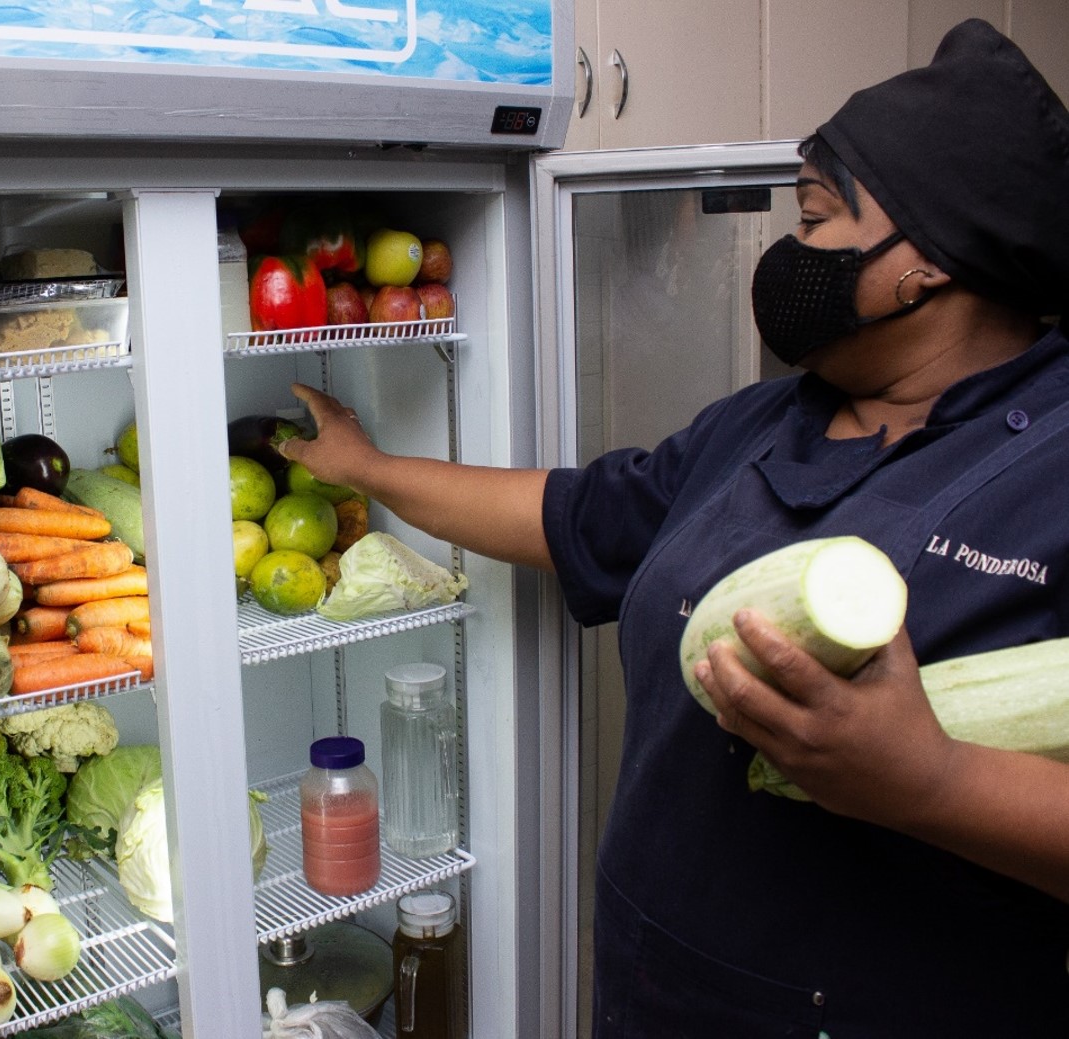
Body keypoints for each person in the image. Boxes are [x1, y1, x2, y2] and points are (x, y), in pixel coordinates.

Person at [278, 19, 1069, 1037]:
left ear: (927, 261)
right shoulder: (769, 417)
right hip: (659, 990)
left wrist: (934, 782)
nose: (792, 249)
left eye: (818, 218)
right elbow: (572, 515)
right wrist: (369, 469)